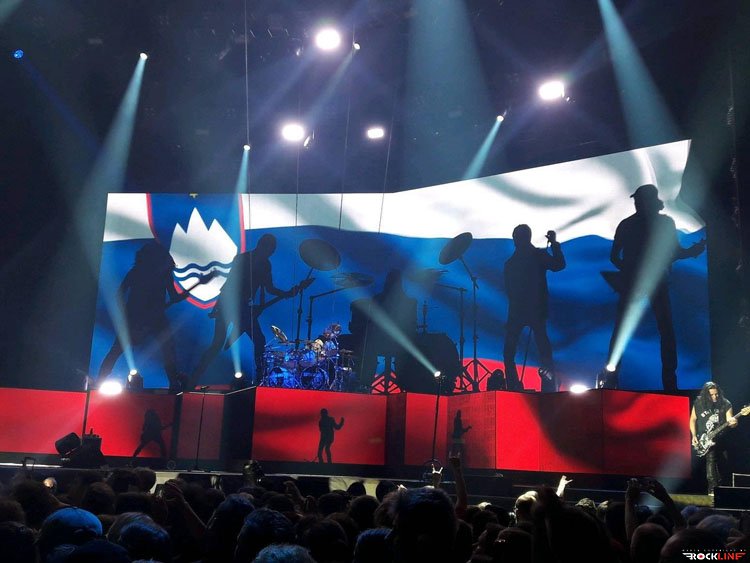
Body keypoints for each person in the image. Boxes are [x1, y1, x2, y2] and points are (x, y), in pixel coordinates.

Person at [605, 184, 705, 391]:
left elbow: (614, 257)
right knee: (665, 330)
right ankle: (670, 382)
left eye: (637, 199)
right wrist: (694, 250)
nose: (635, 203)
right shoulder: (664, 223)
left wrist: (628, 272)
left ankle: (611, 379)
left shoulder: (627, 224)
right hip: (655, 283)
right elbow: (675, 253)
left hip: (634, 283)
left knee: (624, 330)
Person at [190, 234, 300, 387]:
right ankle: (195, 377)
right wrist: (218, 306)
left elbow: (268, 288)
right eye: (271, 249)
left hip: (241, 308)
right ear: (263, 246)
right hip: (230, 306)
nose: (271, 253)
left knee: (254, 340)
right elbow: (230, 283)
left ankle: (260, 378)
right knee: (220, 343)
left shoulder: (265, 264)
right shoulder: (243, 259)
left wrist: (286, 294)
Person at [97, 241, 196, 392]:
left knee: (119, 350)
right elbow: (175, 298)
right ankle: (173, 383)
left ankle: (100, 381)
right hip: (140, 317)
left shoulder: (142, 272)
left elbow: (119, 293)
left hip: (147, 317)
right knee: (165, 349)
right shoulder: (149, 273)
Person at [503, 224, 565, 392]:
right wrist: (554, 245)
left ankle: (515, 386)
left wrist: (554, 245)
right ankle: (547, 385)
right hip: (532, 310)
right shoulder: (535, 256)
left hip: (521, 311)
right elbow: (559, 264)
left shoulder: (512, 263)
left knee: (511, 351)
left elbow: (508, 290)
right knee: (542, 349)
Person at [690, 382, 737, 495]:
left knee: (722, 466)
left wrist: (733, 423)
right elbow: (693, 419)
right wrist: (694, 435)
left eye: (716, 394)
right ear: (706, 395)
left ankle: (718, 490)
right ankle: (712, 490)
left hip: (721, 439)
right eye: (711, 395)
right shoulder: (699, 403)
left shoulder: (725, 403)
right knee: (711, 460)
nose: (715, 397)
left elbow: (730, 420)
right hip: (705, 439)